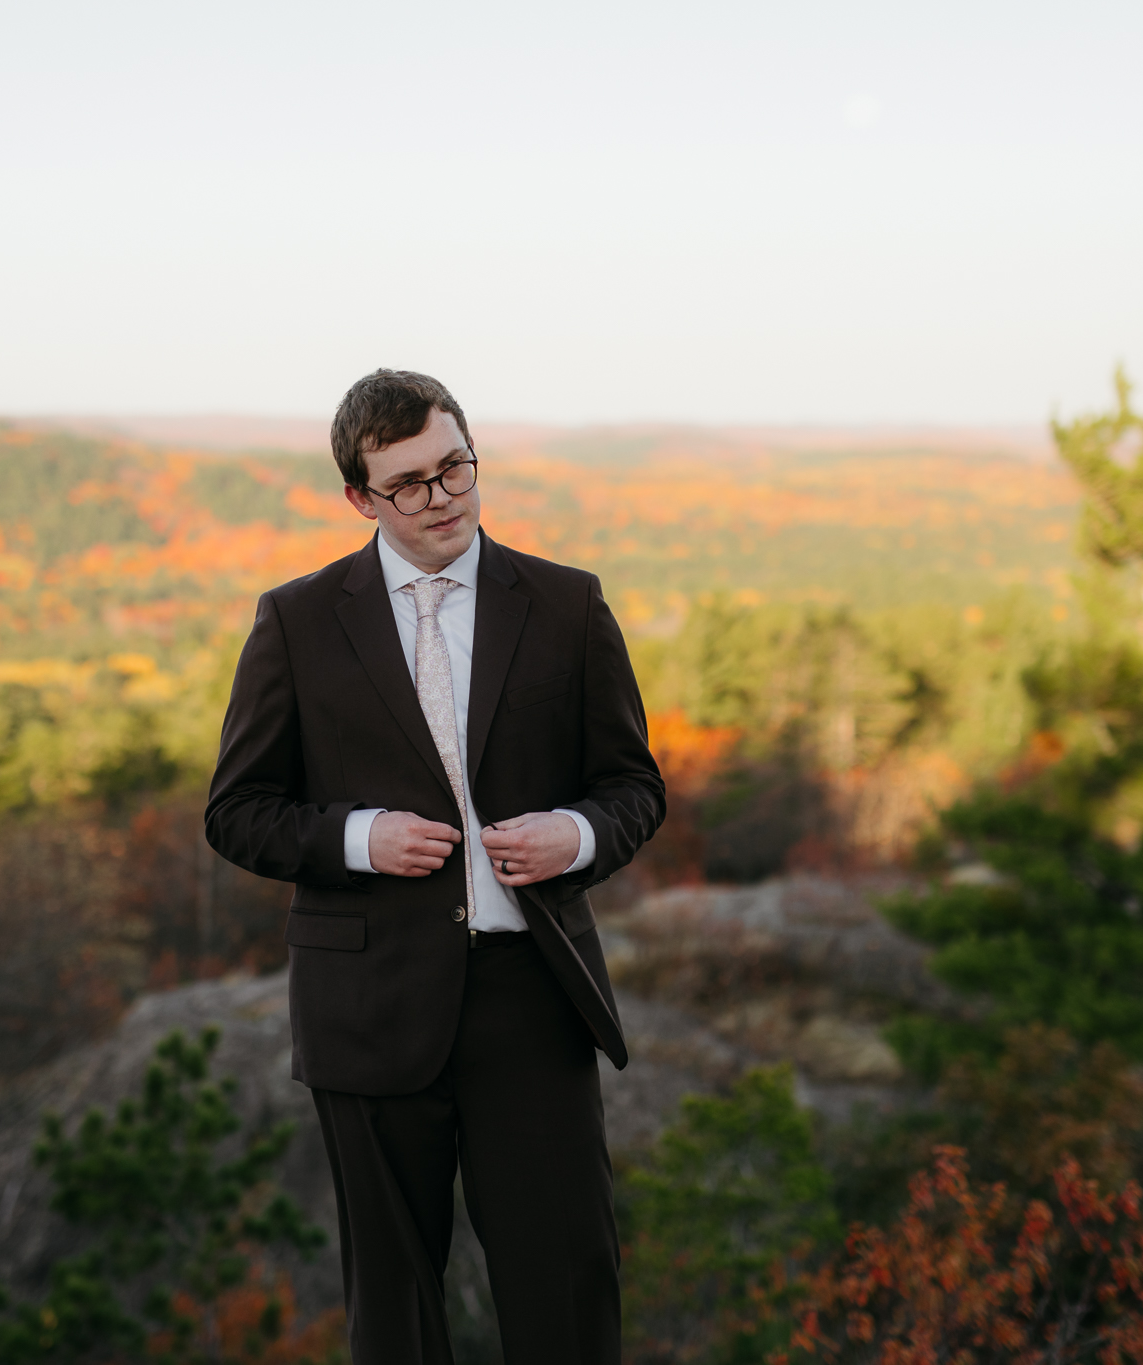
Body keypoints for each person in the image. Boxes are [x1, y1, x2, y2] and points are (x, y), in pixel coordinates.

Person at [205, 368, 666, 1364]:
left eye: (453, 466)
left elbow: (633, 787)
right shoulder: (294, 621)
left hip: (529, 1003)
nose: (441, 496)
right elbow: (236, 814)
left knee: (568, 1294)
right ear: (358, 498)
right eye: (407, 482)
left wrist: (573, 837)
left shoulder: (565, 604)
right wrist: (356, 837)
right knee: (396, 1314)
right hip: (365, 1008)